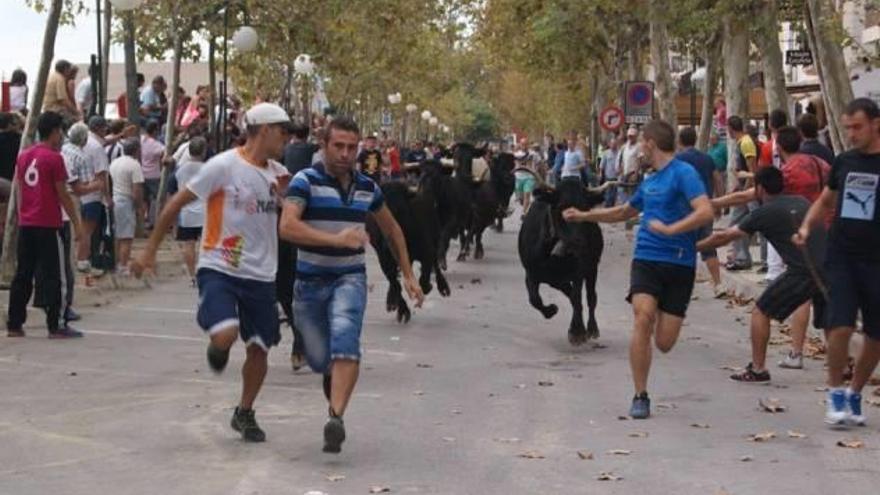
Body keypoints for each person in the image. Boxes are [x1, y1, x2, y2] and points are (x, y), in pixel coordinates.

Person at [132, 103, 293, 442]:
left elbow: (293, 213)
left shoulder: (279, 173)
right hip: (220, 265)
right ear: (264, 130)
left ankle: (244, 412)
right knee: (225, 334)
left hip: (262, 274)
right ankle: (218, 346)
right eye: (283, 130)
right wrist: (148, 252)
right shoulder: (222, 166)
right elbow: (176, 203)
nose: (287, 138)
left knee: (260, 348)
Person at [280, 116, 424, 453]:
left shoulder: (367, 187)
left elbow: (392, 230)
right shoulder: (305, 181)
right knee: (319, 359)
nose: (345, 154)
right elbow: (287, 227)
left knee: (346, 343)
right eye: (338, 146)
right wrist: (335, 238)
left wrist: (408, 274)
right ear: (324, 145)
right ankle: (331, 375)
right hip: (309, 283)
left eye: (351, 147)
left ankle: (336, 418)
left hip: (349, 278)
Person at [563, 119, 713, 419]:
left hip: (680, 262)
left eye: (641, 141)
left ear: (651, 144)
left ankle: (660, 312)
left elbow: (706, 211)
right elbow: (623, 211)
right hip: (646, 258)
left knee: (665, 343)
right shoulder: (650, 181)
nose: (638, 147)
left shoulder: (684, 173)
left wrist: (673, 230)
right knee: (642, 318)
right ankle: (640, 394)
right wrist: (584, 216)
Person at [794, 98, 880, 427]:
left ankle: (855, 392)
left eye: (857, 127)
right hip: (842, 256)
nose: (852, 133)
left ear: (876, 123)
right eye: (847, 128)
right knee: (840, 324)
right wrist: (806, 226)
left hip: (877, 261)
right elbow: (825, 201)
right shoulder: (844, 161)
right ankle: (835, 391)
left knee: (875, 335)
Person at [699, 166, 827, 383]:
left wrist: (690, 246)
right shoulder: (801, 201)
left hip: (802, 272)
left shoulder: (764, 212)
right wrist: (712, 204)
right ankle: (844, 366)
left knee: (761, 311)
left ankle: (758, 369)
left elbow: (725, 237)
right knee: (831, 321)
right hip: (828, 268)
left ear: (759, 189)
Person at [6, 111, 84, 339]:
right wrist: (77, 224)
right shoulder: (53, 158)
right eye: (60, 132)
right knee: (54, 275)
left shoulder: (24, 156)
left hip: (27, 222)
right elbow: (63, 194)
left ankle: (14, 322)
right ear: (54, 132)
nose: (61, 137)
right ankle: (56, 323)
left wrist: (22, 215)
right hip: (48, 223)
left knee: (23, 273)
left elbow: (20, 189)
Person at [44, 122, 103, 322]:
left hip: (47, 208)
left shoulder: (58, 152)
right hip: (68, 206)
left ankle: (49, 303)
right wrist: (98, 184)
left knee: (48, 261)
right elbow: (79, 189)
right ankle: (64, 307)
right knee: (65, 263)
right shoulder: (80, 156)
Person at [676, 127, 723, 296]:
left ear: (680, 141)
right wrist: (718, 203)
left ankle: (686, 288)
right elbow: (717, 179)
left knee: (684, 247)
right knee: (708, 246)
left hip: (685, 210)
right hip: (706, 208)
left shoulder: (678, 160)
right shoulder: (707, 158)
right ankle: (718, 284)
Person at [76, 116, 110, 275]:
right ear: (99, 128)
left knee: (83, 229)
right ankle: (83, 261)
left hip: (79, 193)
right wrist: (107, 197)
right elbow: (101, 175)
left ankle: (82, 259)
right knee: (88, 231)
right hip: (92, 194)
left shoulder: (83, 142)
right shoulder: (96, 147)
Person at [171, 136, 207, 283]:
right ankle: (204, 272)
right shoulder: (208, 169)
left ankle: (192, 275)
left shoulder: (180, 170)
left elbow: (173, 191)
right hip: (205, 212)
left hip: (186, 213)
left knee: (189, 244)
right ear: (203, 151)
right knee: (205, 245)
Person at [726, 115, 759, 271]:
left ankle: (744, 257)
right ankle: (741, 257)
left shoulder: (746, 143)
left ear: (731, 129)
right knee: (737, 224)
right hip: (745, 190)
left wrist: (745, 189)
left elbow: (752, 170)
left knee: (752, 223)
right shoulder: (742, 143)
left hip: (749, 191)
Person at [109, 138, 145, 276]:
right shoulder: (134, 165)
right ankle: (123, 265)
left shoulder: (115, 162)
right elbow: (137, 189)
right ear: (136, 150)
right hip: (126, 201)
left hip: (115, 199)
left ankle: (118, 262)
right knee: (127, 236)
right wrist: (139, 207)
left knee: (118, 235)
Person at [140, 119, 166, 228]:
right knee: (157, 199)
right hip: (154, 175)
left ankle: (143, 220)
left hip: (141, 174)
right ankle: (154, 221)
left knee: (144, 200)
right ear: (155, 131)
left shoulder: (140, 140)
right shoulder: (157, 145)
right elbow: (165, 153)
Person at [619, 126, 641, 204]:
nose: (630, 137)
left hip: (633, 173)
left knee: (633, 192)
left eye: (632, 136)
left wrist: (635, 173)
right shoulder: (625, 146)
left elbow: (639, 160)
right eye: (629, 136)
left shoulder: (639, 146)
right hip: (625, 173)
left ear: (636, 136)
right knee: (624, 193)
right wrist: (621, 171)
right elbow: (623, 160)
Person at [600, 135, 622, 207]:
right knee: (608, 195)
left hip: (616, 178)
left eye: (615, 144)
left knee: (614, 196)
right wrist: (601, 174)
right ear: (609, 144)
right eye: (612, 144)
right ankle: (607, 208)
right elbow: (602, 165)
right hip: (608, 177)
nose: (613, 145)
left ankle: (611, 208)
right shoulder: (606, 153)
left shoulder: (619, 153)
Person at [0, 112, 22, 181]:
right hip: (11, 180)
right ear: (10, 125)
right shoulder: (18, 139)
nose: (18, 126)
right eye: (16, 124)